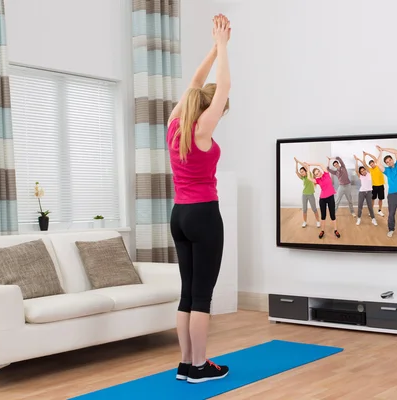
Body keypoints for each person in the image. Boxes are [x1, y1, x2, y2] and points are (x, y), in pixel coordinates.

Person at [166, 14, 231, 384]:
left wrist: (213, 47)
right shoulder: (203, 128)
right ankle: (201, 366)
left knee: (187, 292)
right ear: (211, 110)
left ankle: (185, 363)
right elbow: (222, 85)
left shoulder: (175, 124)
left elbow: (196, 84)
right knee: (202, 296)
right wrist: (222, 45)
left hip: (179, 215)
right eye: (220, 109)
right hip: (204, 216)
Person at [303, 162, 340, 239]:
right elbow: (309, 178)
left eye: (318, 171)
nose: (318, 174)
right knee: (323, 216)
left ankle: (335, 230)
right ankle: (322, 231)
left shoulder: (326, 174)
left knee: (332, 215)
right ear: (315, 176)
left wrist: (310, 163)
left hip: (330, 198)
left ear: (320, 171)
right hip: (322, 199)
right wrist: (308, 169)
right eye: (316, 174)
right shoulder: (317, 180)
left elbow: (320, 164)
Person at [294, 157, 320, 228]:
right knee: (304, 209)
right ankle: (305, 222)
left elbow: (305, 166)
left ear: (306, 171)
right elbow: (296, 172)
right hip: (304, 195)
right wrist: (296, 163)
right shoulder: (303, 178)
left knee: (314, 209)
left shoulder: (310, 174)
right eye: (301, 172)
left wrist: (298, 161)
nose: (301, 173)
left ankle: (318, 222)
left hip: (311, 195)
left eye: (302, 171)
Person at [353, 154, 378, 226]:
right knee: (360, 206)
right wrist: (356, 161)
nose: (363, 171)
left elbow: (365, 164)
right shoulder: (360, 176)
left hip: (369, 192)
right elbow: (356, 170)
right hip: (362, 192)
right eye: (361, 171)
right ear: (360, 173)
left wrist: (363, 156)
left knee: (370, 206)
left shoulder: (369, 173)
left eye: (363, 170)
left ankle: (373, 219)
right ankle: (359, 218)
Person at [362, 150, 386, 217]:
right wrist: (364, 156)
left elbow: (375, 158)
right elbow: (364, 164)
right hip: (374, 186)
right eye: (370, 165)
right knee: (372, 199)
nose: (372, 165)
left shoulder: (378, 166)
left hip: (381, 185)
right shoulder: (370, 170)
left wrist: (367, 153)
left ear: (374, 163)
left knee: (380, 199)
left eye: (372, 164)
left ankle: (380, 211)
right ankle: (371, 211)